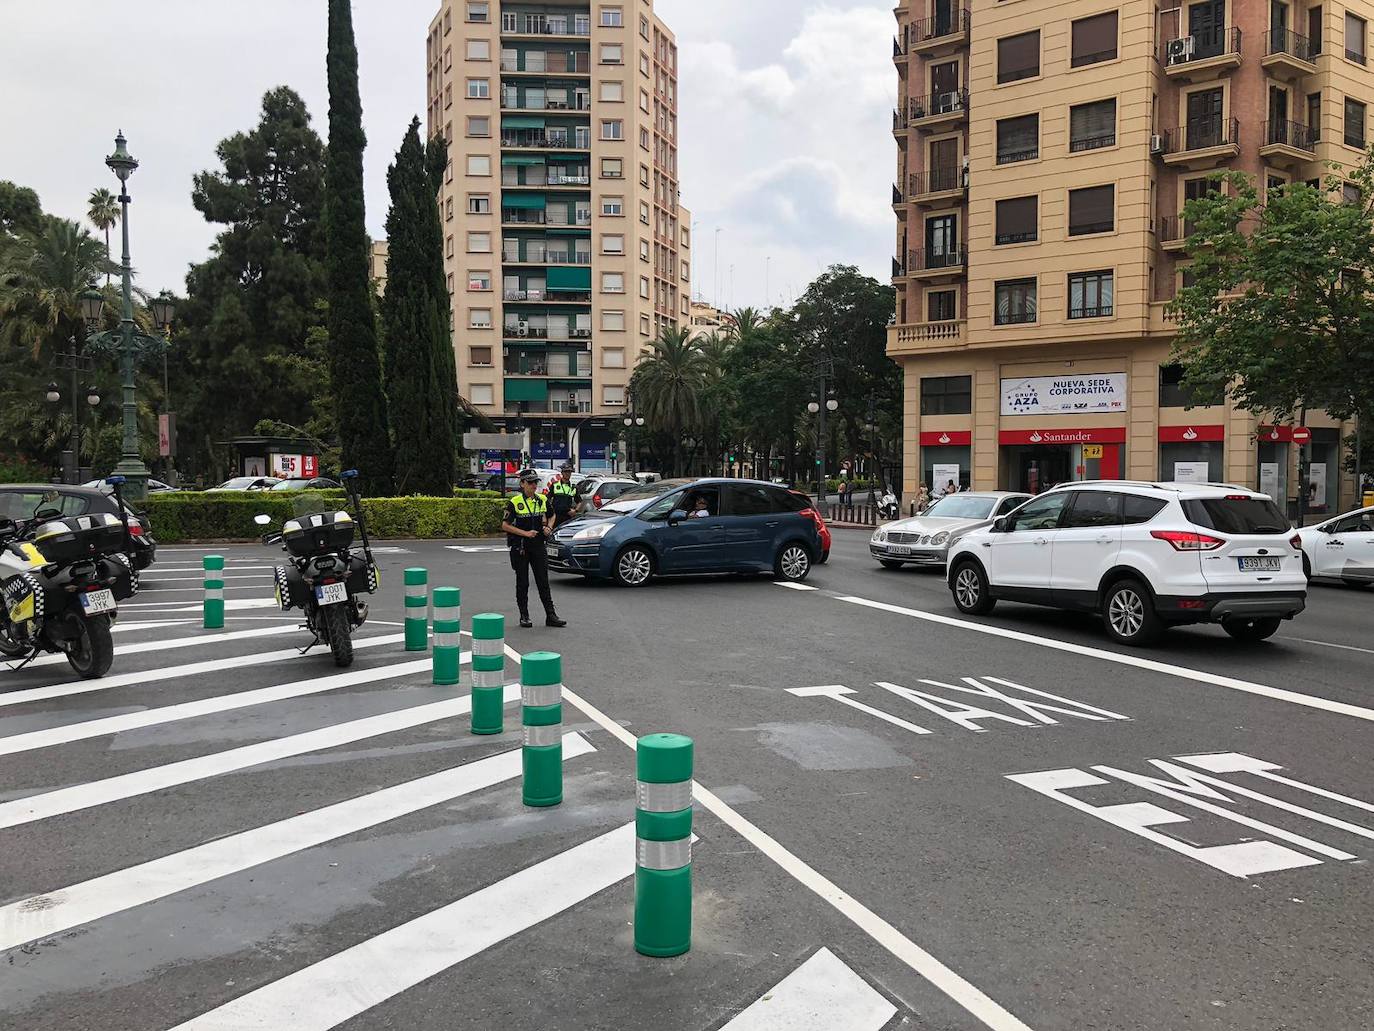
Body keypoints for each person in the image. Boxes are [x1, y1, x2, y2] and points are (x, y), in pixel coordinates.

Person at [501, 469, 566, 629]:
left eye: (535, 482)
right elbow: (504, 525)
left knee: (543, 581)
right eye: (530, 482)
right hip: (520, 547)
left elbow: (552, 515)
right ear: (522, 484)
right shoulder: (515, 502)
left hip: (538, 546)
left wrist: (549, 527)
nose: (533, 485)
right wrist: (525, 533)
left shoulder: (542, 499)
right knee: (522, 582)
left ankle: (550, 615)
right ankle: (524, 616)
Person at [544, 462, 579, 528]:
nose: (568, 474)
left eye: (569, 472)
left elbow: (579, 501)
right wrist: (549, 512)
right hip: (555, 515)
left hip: (567, 516)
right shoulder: (554, 485)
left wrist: (575, 511)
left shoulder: (573, 487)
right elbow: (547, 499)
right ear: (562, 473)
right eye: (566, 472)